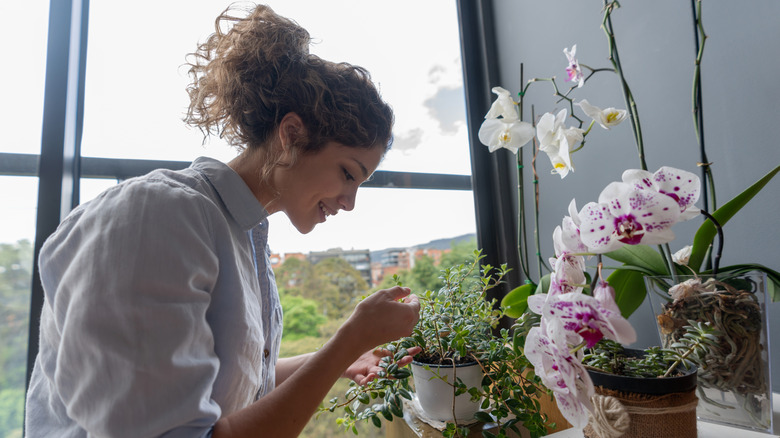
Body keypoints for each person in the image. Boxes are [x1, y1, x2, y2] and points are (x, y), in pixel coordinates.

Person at [24, 3, 421, 437]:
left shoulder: (241, 236)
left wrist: (340, 357)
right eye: (348, 173)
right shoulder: (158, 216)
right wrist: (348, 340)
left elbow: (231, 391)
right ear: (290, 135)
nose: (350, 203)